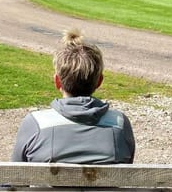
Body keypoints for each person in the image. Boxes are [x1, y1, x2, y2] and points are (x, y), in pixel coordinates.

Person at [11, 28, 135, 163]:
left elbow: (11, 178)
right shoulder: (120, 123)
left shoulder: (35, 124)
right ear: (99, 81)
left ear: (57, 81)